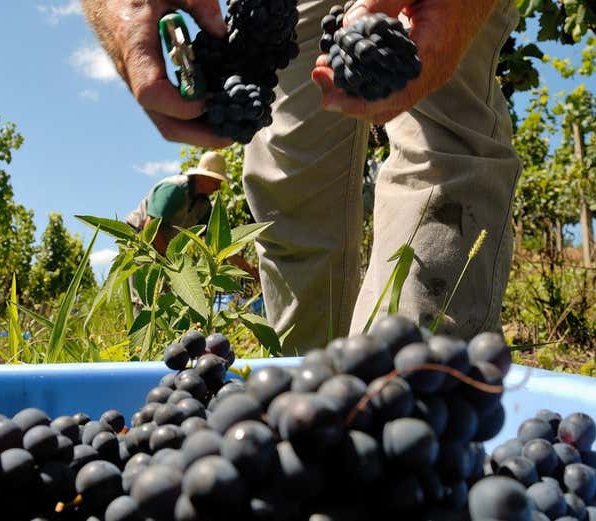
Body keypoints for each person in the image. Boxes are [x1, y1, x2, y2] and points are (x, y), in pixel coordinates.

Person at [83, 0, 520, 354]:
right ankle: (306, 394)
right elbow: (155, 237)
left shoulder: (197, 197)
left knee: (441, 137)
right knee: (287, 177)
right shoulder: (174, 194)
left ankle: (410, 389)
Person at [126, 150, 258, 274]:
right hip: (138, 242)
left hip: (163, 252)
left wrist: (249, 269)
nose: (218, 187)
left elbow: (218, 243)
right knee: (141, 295)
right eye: (215, 181)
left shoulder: (203, 205)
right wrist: (171, 263)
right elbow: (150, 228)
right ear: (203, 177)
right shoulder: (174, 190)